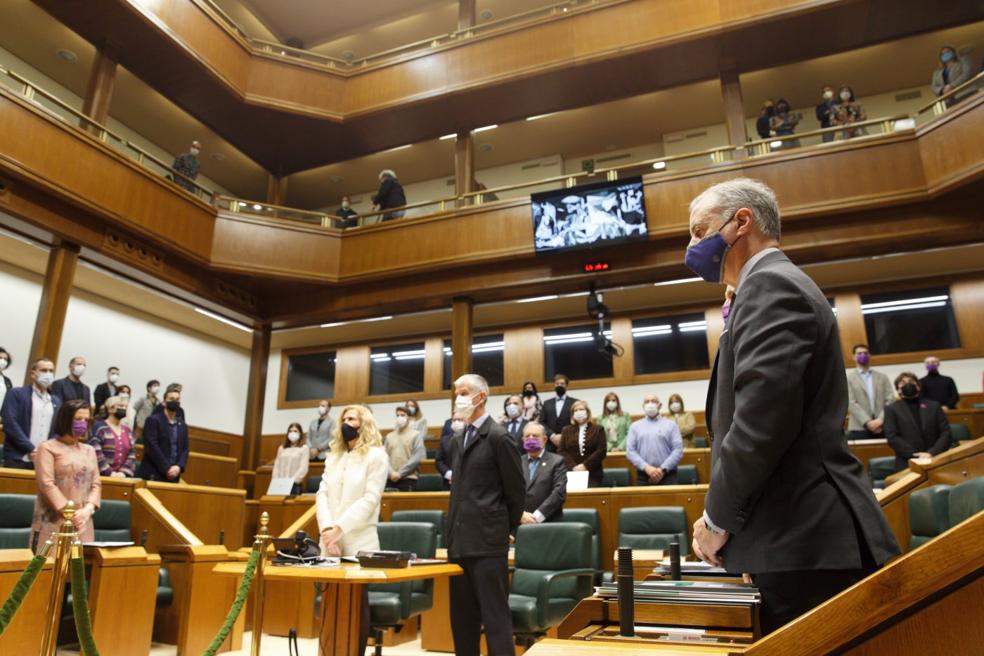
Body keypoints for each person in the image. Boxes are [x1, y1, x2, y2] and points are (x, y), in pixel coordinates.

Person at [684, 177, 899, 634]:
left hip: (808, 541)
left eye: (699, 231)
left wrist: (719, 520)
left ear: (741, 222)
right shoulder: (757, 291)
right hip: (793, 540)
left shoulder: (771, 287)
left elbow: (759, 426)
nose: (692, 245)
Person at [446, 374, 524, 656]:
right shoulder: (458, 438)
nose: (458, 398)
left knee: (495, 620)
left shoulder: (499, 436)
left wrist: (507, 527)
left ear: (481, 397)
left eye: (464, 392)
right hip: (459, 544)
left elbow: (516, 490)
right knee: (462, 621)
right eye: (456, 393)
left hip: (489, 543)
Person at [316, 404, 389, 656]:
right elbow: (322, 494)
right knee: (331, 603)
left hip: (359, 541)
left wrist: (340, 529)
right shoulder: (334, 455)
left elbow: (370, 499)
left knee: (356, 605)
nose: (347, 422)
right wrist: (327, 530)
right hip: (330, 542)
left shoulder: (376, 456)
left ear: (364, 423)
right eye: (344, 418)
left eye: (353, 418)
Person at [32, 399, 101, 551]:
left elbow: (96, 484)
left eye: (86, 420)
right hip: (54, 521)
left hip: (83, 521)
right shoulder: (48, 447)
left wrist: (87, 511)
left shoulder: (89, 450)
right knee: (48, 570)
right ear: (65, 419)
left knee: (77, 571)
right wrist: (70, 515)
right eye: (78, 419)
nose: (82, 423)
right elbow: (47, 484)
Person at [883, 372, 951, 473]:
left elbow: (946, 433)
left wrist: (931, 453)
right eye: (903, 383)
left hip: (936, 459)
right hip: (907, 462)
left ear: (918, 387)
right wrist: (916, 455)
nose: (907, 384)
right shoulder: (891, 409)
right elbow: (892, 436)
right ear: (898, 390)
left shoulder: (934, 406)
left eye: (911, 381)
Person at [1, 358, 61, 470]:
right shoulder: (17, 394)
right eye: (44, 370)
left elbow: (58, 429)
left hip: (44, 460)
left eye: (51, 371)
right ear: (33, 374)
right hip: (18, 458)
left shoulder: (56, 401)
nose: (48, 374)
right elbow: (10, 424)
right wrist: (31, 449)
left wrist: (45, 451)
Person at [626, 395, 683, 485]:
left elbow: (678, 450)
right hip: (643, 476)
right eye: (647, 402)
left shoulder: (671, 425)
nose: (650, 404)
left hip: (668, 475)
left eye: (653, 401)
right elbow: (630, 451)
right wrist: (647, 468)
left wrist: (662, 469)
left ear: (659, 405)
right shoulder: (635, 426)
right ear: (643, 406)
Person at [139, 384, 188, 482]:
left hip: (174, 474)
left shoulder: (182, 424)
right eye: (171, 398)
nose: (175, 401)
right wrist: (167, 468)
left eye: (177, 399)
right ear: (164, 402)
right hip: (154, 473)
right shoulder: (153, 420)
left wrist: (179, 467)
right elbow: (152, 446)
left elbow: (184, 449)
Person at [519, 422, 567, 524]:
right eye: (527, 436)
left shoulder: (557, 461)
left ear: (545, 439)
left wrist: (536, 517)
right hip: (521, 522)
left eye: (535, 436)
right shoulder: (517, 462)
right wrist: (521, 515)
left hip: (549, 523)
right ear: (523, 440)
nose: (531, 439)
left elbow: (559, 493)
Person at [846, 344, 895, 440]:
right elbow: (850, 402)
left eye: (865, 353)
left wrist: (880, 420)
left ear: (870, 355)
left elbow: (890, 399)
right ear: (854, 357)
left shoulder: (882, 377)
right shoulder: (848, 379)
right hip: (859, 427)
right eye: (859, 353)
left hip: (883, 425)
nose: (862, 355)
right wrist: (867, 422)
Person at [557, 400, 606, 487]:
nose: (578, 412)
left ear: (587, 412)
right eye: (575, 410)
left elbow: (601, 450)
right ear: (572, 414)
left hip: (593, 473)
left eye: (581, 409)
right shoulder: (566, 430)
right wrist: (573, 467)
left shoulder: (598, 429)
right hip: (571, 473)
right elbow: (561, 450)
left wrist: (585, 465)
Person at [90, 395, 137, 478]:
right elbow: (95, 451)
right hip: (101, 476)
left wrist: (124, 472)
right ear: (110, 409)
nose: (124, 409)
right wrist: (109, 472)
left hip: (122, 478)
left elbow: (131, 453)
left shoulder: (127, 430)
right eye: (120, 406)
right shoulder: (100, 427)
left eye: (125, 407)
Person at [383, 406, 425, 491]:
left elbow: (416, 458)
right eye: (397, 415)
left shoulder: (416, 435)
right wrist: (391, 473)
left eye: (403, 415)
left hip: (408, 478)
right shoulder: (389, 436)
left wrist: (400, 473)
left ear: (409, 418)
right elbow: (384, 457)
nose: (400, 418)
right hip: (389, 478)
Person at [542, 373, 578, 452]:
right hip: (550, 443)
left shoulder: (575, 402)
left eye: (562, 384)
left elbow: (576, 422)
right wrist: (552, 435)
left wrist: (564, 435)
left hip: (569, 443)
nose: (559, 385)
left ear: (567, 386)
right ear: (554, 385)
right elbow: (542, 422)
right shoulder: (546, 403)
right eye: (557, 383)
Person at [272, 423, 310, 496]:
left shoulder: (304, 448)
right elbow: (276, 466)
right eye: (290, 431)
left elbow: (303, 468)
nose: (292, 433)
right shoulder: (281, 448)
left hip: (294, 485)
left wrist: (292, 481)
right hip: (279, 484)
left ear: (300, 434)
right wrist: (276, 480)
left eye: (295, 431)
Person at [436, 411, 465, 490]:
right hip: (448, 483)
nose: (456, 422)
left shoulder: (471, 438)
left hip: (467, 482)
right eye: (454, 420)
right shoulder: (444, 440)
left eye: (460, 420)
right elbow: (439, 460)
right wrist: (449, 474)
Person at [0, 347, 12, 414]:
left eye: (5, 359)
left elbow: (8, 402)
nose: (3, 361)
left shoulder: (7, 381)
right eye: (0, 358)